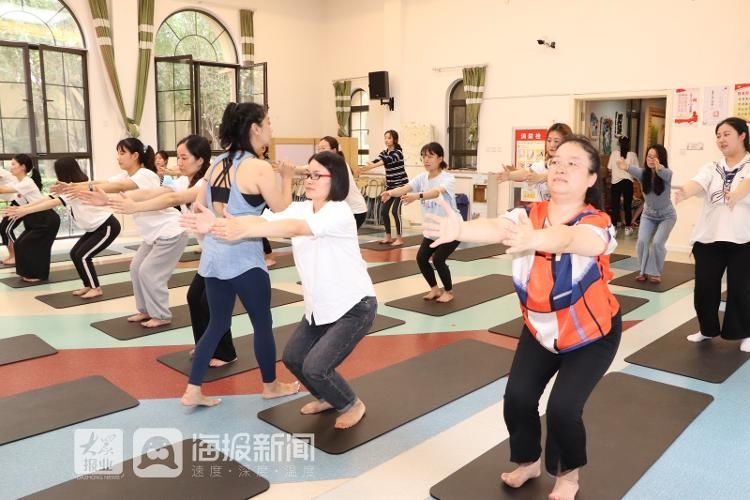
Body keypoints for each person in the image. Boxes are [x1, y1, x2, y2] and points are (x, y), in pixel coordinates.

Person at [424, 135, 620, 500]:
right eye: (556, 161)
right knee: (517, 397)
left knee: (563, 408)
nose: (561, 167)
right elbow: (499, 227)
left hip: (590, 333)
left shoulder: (598, 223)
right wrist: (462, 230)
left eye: (574, 163)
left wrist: (537, 239)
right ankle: (528, 461)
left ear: (593, 178)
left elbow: (574, 239)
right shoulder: (527, 214)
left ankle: (568, 474)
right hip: (541, 329)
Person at [185, 151, 376, 429]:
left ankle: (351, 403)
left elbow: (294, 227)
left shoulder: (338, 211)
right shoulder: (302, 207)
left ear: (335, 180)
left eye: (316, 175)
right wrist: (219, 224)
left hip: (354, 306)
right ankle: (326, 397)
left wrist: (242, 231)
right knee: (293, 358)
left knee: (315, 367)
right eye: (306, 174)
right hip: (320, 306)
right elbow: (263, 220)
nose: (308, 180)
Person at [177, 102, 299, 406]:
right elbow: (281, 206)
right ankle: (270, 386)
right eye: (268, 122)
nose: (271, 127)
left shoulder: (218, 162)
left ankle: (193, 390)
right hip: (244, 258)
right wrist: (288, 176)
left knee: (217, 323)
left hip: (214, 257)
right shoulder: (257, 167)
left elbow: (201, 203)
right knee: (261, 323)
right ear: (255, 128)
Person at [60, 138, 188, 327]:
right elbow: (103, 182)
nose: (118, 157)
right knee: (136, 268)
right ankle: (145, 311)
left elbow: (120, 188)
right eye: (117, 152)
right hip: (153, 235)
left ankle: (161, 315)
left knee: (149, 272)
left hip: (170, 232)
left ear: (135, 155)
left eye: (122, 153)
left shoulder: (145, 174)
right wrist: (75, 186)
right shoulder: (126, 175)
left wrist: (83, 187)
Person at [674, 117, 750, 352]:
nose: (721, 139)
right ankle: (707, 330)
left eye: (726, 134)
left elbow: (748, 182)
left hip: (743, 239)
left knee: (742, 289)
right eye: (718, 135)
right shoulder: (711, 168)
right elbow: (697, 183)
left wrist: (737, 193)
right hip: (709, 239)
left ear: (742, 136)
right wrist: (684, 192)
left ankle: (746, 332)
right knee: (705, 289)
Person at [3, 158, 120, 297]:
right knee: (75, 254)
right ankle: (88, 285)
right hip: (93, 229)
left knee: (83, 256)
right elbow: (45, 199)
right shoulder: (68, 188)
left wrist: (24, 211)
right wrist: (24, 208)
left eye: (57, 172)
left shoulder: (73, 190)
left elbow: (51, 204)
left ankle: (96, 288)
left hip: (106, 226)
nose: (56, 176)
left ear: (64, 172)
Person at [381, 142, 461, 303]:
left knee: (438, 259)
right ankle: (434, 289)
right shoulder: (421, 178)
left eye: (430, 156)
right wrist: (390, 192)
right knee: (421, 258)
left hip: (452, 228)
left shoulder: (448, 178)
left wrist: (417, 196)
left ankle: (449, 291)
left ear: (440, 158)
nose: (426, 159)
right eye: (424, 156)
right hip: (433, 230)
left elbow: (435, 192)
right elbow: (405, 188)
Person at [617, 144, 675, 283]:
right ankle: (642, 271)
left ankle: (656, 273)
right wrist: (624, 166)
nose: (651, 159)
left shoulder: (667, 173)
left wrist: (658, 167)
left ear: (661, 159)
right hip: (648, 215)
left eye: (655, 157)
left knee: (657, 243)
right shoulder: (643, 174)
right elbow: (631, 168)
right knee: (642, 242)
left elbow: (663, 172)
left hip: (667, 216)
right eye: (649, 156)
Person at [0, 154, 59, 281]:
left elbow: (3, 190)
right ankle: (28, 273)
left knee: (35, 246)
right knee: (21, 244)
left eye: (14, 164)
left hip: (45, 218)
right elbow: (18, 201)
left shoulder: (27, 182)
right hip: (34, 217)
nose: (11, 167)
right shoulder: (21, 183)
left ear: (23, 167)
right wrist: (16, 209)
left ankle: (37, 275)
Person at [496, 123, 573, 204]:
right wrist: (510, 175)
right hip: (543, 212)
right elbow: (526, 173)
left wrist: (542, 177)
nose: (552, 145)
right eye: (549, 140)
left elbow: (565, 176)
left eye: (556, 141)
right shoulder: (544, 164)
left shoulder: (572, 164)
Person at [361, 130, 408, 244]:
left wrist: (370, 167)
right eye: (385, 138)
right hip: (390, 187)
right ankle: (388, 236)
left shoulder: (398, 153)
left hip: (401, 187)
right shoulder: (384, 152)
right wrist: (364, 167)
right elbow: (376, 160)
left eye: (389, 138)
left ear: (394, 140)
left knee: (395, 212)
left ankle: (399, 238)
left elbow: (384, 161)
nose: (386, 140)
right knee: (384, 211)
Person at [317, 136, 368, 228]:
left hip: (355, 211)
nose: (320, 151)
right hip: (343, 210)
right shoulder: (327, 164)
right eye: (319, 149)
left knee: (340, 239)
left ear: (334, 150)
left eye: (323, 148)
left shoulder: (339, 164)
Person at [607, 135, 638, 235]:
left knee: (615, 205)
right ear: (629, 144)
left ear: (619, 144)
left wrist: (616, 173)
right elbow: (636, 171)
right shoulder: (632, 155)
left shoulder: (614, 154)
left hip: (615, 182)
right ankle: (628, 228)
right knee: (627, 206)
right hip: (628, 182)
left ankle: (614, 228)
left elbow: (609, 169)